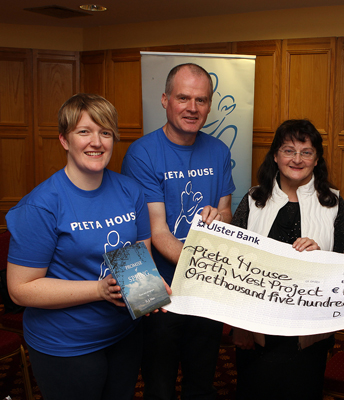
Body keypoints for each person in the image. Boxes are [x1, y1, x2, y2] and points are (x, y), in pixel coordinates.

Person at [6, 93, 154, 400]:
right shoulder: (41, 205)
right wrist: (98, 290)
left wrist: (147, 293)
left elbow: (140, 257)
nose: (96, 142)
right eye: (84, 132)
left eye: (105, 132)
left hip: (124, 335)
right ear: (64, 140)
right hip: (66, 345)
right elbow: (20, 289)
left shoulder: (131, 190)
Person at [121, 63, 236, 400]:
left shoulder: (218, 151)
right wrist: (203, 264)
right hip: (162, 291)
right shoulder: (142, 153)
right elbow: (157, 231)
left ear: (209, 105)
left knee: (202, 381)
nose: (192, 108)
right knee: (159, 384)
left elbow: (227, 212)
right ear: (165, 99)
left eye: (201, 100)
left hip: (207, 291)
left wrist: (220, 220)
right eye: (183, 97)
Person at [230, 119, 344, 400]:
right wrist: (239, 326)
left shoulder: (333, 203)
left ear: (317, 158)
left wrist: (321, 254)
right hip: (257, 328)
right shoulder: (253, 199)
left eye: (306, 152)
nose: (297, 159)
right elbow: (233, 265)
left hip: (308, 332)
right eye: (288, 150)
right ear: (275, 155)